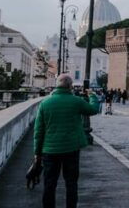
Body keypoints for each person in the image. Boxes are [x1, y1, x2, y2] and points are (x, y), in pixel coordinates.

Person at [34, 74, 100, 208]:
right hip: (71, 149)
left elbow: (38, 131)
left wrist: (37, 153)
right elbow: (93, 109)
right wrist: (92, 95)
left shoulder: (45, 103)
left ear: (56, 85)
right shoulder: (76, 101)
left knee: (49, 184)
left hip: (49, 150)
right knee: (71, 183)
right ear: (70, 86)